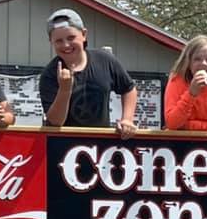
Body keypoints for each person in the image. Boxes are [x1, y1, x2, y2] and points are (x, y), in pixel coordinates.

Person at [39, 8, 138, 138]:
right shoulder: (49, 75)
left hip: (101, 142)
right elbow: (55, 122)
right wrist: (64, 89)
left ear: (84, 34)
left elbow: (129, 89)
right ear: (51, 42)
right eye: (59, 41)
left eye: (71, 38)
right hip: (64, 144)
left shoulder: (105, 60)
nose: (66, 45)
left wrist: (127, 119)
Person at [163, 34, 207, 131]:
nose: (204, 63)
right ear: (188, 62)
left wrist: (188, 126)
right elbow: (172, 123)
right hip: (181, 140)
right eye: (197, 59)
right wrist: (191, 94)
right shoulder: (176, 81)